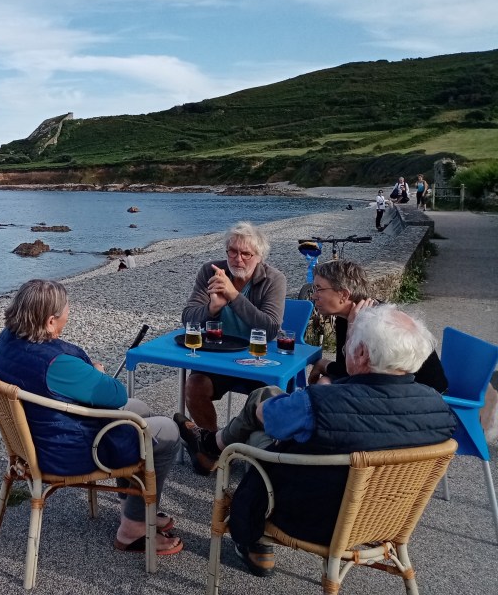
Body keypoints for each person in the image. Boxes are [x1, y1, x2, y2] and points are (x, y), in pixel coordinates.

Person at [175, 304, 455, 577]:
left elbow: (268, 417)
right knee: (272, 412)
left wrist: (313, 396)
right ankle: (211, 445)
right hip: (386, 520)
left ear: (361, 354)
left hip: (308, 518)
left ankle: (244, 517)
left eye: (349, 345)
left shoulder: (323, 403)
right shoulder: (439, 409)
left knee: (260, 425)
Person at [0, 279, 184, 554]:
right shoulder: (57, 363)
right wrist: (96, 373)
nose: (69, 313)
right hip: (66, 451)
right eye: (66, 309)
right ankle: (133, 528)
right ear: (50, 322)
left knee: (139, 408)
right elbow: (116, 395)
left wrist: (85, 377)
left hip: (33, 440)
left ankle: (132, 508)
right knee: (168, 432)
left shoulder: (7, 339)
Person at [180, 222, 286, 442]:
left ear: (259, 257)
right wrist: (212, 308)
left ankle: (234, 443)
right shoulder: (210, 272)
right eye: (233, 251)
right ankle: (210, 443)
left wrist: (233, 296)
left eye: (246, 254)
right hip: (219, 355)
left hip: (258, 358)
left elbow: (270, 329)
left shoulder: (274, 279)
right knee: (194, 386)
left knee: (267, 399)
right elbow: (188, 319)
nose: (238, 259)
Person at [306, 259, 447, 392]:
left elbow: (354, 376)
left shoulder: (376, 324)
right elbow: (347, 370)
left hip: (419, 393)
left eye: (319, 289)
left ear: (344, 294)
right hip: (386, 387)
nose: (314, 296)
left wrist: (323, 364)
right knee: (324, 383)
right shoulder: (347, 318)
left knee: (324, 386)